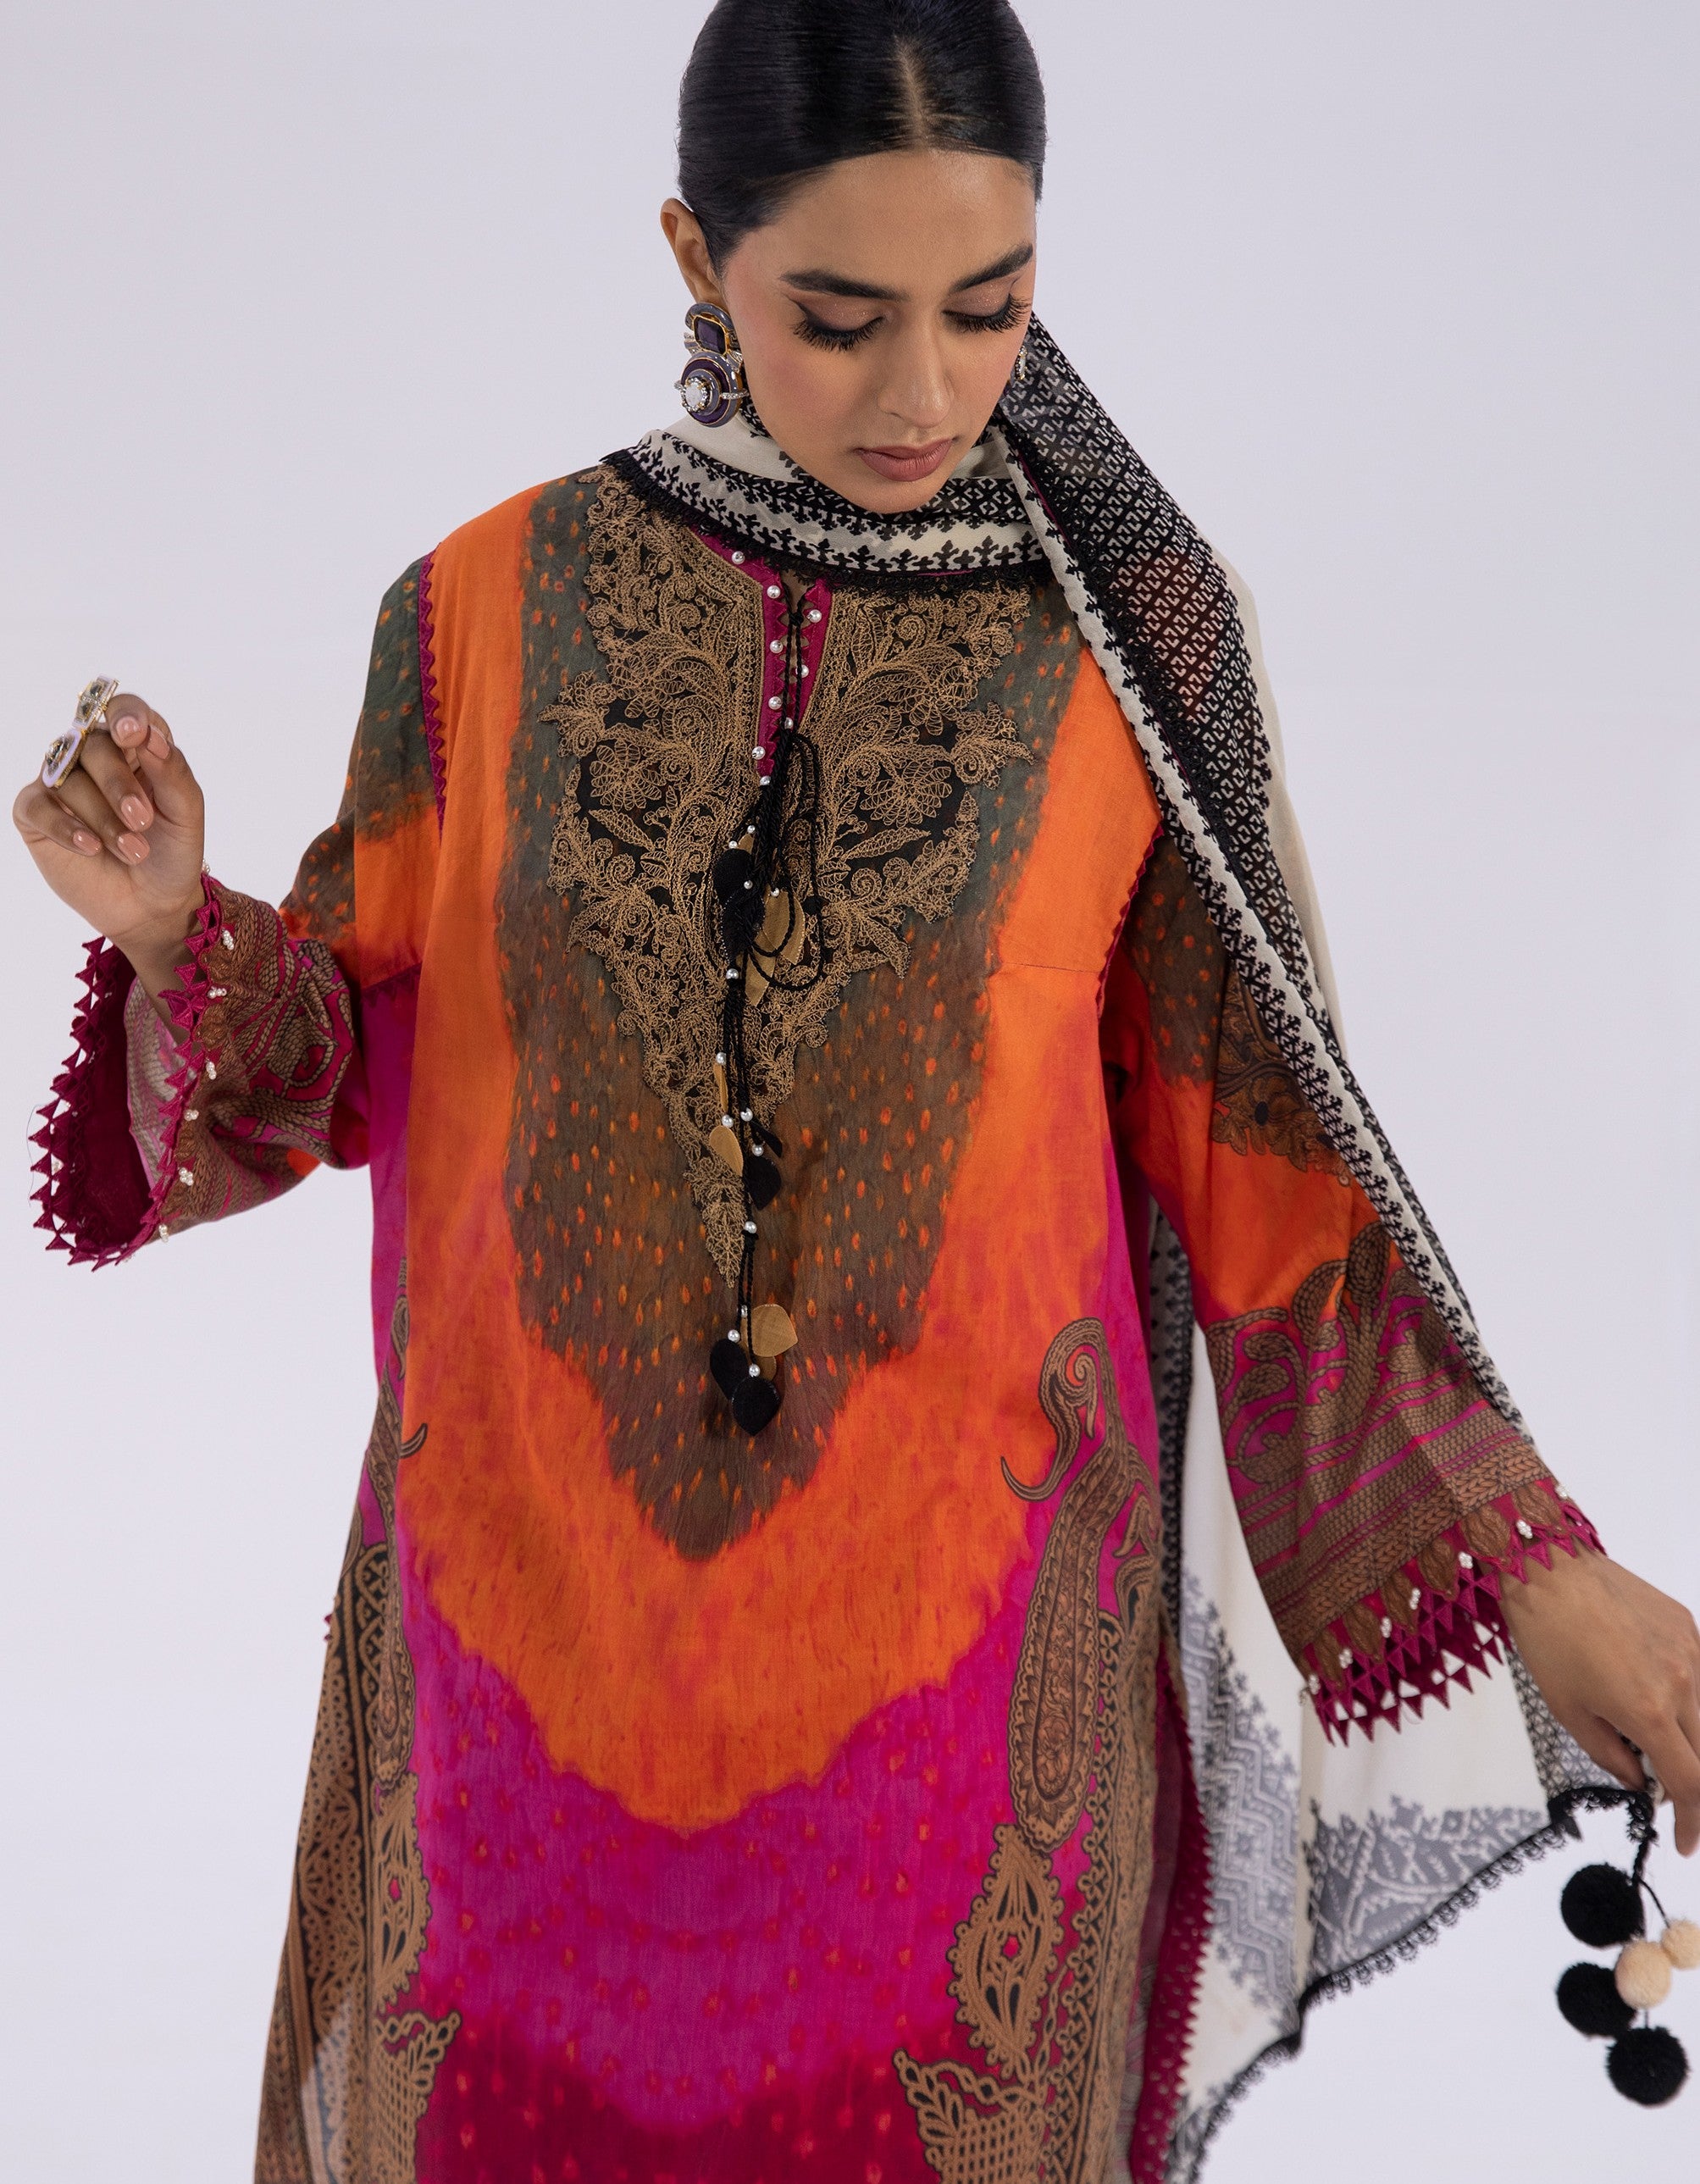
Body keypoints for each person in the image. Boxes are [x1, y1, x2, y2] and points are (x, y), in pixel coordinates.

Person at [15, 3, 1700, 2179]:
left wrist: (1531, 1568)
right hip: (515, 1712)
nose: (921, 390)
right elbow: (330, 1062)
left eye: (987, 307)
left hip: (956, 1761)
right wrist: (177, 926)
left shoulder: (1123, 650)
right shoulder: (479, 609)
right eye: (837, 318)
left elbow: (1269, 1178)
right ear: (691, 255)